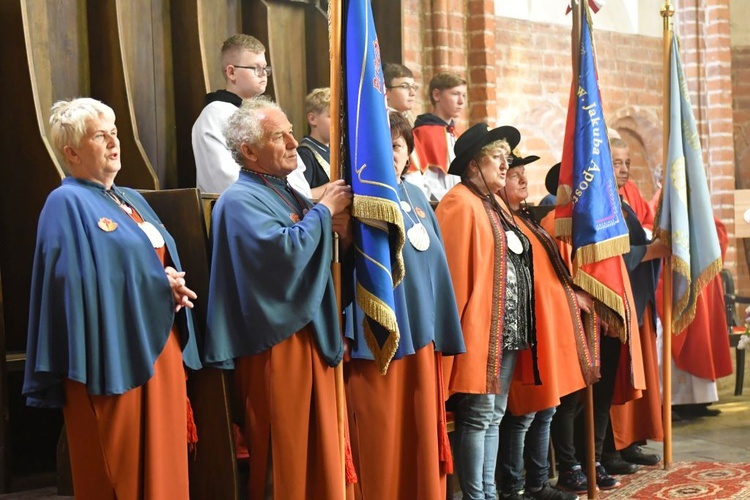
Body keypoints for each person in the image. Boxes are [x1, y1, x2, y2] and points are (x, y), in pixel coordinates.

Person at [23, 97, 202, 499]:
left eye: (115, 132)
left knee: (166, 460)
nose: (113, 142)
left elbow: (144, 263)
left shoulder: (131, 199)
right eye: (99, 135)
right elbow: (70, 280)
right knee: (119, 469)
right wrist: (156, 284)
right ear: (71, 152)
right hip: (109, 352)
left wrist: (166, 279)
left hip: (157, 341)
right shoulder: (65, 202)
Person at [203, 96, 353, 499]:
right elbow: (281, 255)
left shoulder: (286, 192)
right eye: (278, 136)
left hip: (311, 337)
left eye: (290, 131)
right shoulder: (238, 201)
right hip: (277, 345)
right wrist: (324, 213)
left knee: (321, 448)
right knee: (285, 454)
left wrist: (335, 223)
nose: (292, 143)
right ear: (249, 151)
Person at [344, 111, 465, 499]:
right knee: (383, 433)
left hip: (422, 335)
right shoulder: (355, 198)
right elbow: (344, 268)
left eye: (396, 146)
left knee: (420, 432)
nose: (390, 153)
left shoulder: (414, 195)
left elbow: (437, 261)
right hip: (378, 339)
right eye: (382, 146)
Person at [436, 123, 537, 499]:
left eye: (505, 158)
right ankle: (476, 495)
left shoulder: (493, 205)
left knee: (494, 414)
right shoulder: (459, 202)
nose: (505, 164)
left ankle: (489, 492)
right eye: (498, 157)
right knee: (478, 415)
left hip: (506, 328)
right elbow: (454, 274)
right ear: (474, 164)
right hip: (478, 327)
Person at [497, 154, 592, 500]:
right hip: (526, 328)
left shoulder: (525, 219)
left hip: (549, 326)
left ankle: (538, 483)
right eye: (514, 175)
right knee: (524, 413)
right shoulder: (502, 222)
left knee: (546, 408)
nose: (523, 181)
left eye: (525, 175)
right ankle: (515, 486)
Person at [603, 138, 669, 472]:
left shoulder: (624, 200)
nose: (625, 168)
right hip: (615, 300)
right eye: (617, 162)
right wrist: (651, 251)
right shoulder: (601, 202)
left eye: (627, 162)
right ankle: (610, 448)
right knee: (615, 378)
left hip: (636, 298)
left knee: (633, 374)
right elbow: (610, 253)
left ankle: (630, 441)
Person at [191, 34, 310, 196]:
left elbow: (295, 170)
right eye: (256, 68)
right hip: (246, 209)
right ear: (231, 72)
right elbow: (225, 179)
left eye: (265, 68)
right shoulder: (215, 115)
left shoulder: (268, 113)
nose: (263, 74)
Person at [408, 72, 467, 201]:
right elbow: (425, 177)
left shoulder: (457, 134)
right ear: (437, 95)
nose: (461, 101)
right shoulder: (423, 133)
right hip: (439, 202)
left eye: (463, 95)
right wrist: (451, 199)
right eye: (455, 94)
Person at [298, 87, 331, 198]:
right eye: (332, 116)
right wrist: (332, 187)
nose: (340, 122)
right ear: (312, 119)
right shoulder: (305, 153)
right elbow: (301, 195)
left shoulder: (336, 151)